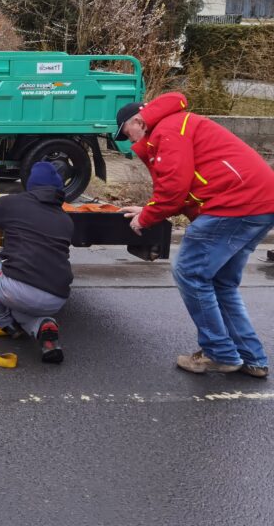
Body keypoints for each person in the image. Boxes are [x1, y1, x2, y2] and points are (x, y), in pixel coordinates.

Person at [116, 92, 274, 378]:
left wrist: (147, 217)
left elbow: (174, 187)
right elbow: (185, 185)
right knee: (222, 283)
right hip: (257, 203)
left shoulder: (168, 130)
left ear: (138, 121)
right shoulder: (179, 124)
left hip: (234, 205)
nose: (129, 141)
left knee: (190, 273)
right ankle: (252, 358)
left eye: (126, 133)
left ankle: (220, 353)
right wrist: (150, 208)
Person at [0, 162, 74, 364]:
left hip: (19, 290)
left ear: (31, 184)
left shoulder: (15, 203)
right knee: (20, 309)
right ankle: (44, 327)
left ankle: (4, 323)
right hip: (56, 298)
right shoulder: (65, 219)